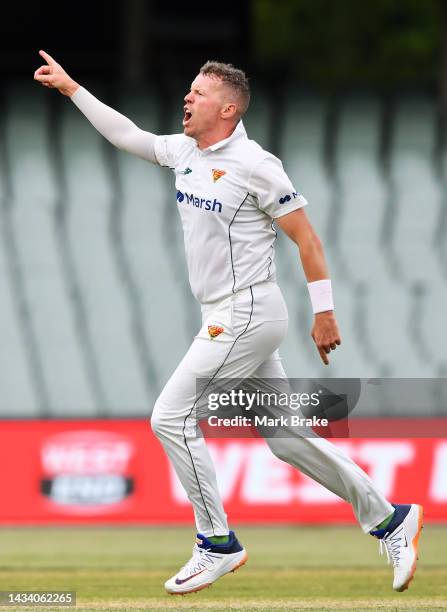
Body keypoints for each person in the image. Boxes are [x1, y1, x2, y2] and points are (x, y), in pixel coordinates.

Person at [34, 50, 423, 596]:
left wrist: (326, 310)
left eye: (200, 92)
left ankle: (216, 541)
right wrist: (73, 89)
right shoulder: (186, 151)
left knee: (169, 417)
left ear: (230, 109)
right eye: (189, 89)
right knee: (287, 439)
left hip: (246, 311)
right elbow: (126, 135)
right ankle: (390, 518)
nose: (188, 97)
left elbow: (307, 239)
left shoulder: (257, 165)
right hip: (228, 314)